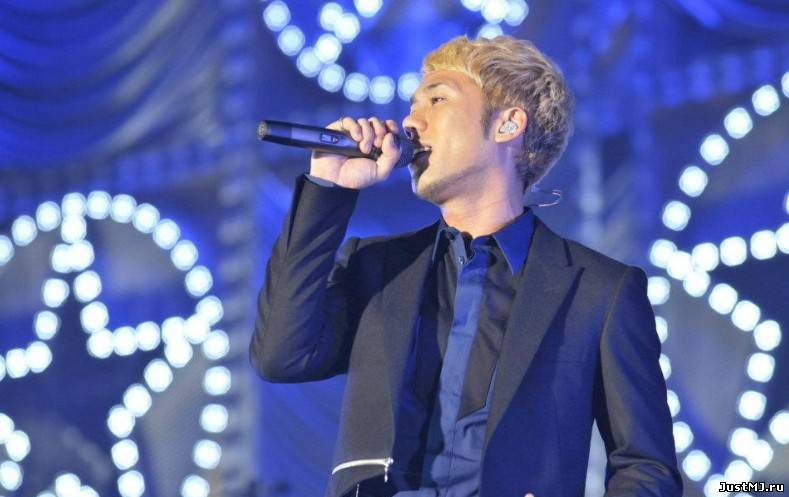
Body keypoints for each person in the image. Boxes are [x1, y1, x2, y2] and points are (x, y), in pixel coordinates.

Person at [250, 35, 682, 497]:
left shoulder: (599, 291)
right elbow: (281, 356)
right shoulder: (376, 267)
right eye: (412, 106)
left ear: (508, 124)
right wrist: (328, 188)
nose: (410, 122)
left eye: (437, 100)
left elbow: (646, 468)